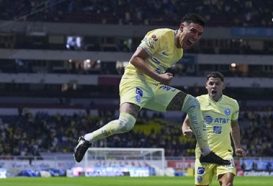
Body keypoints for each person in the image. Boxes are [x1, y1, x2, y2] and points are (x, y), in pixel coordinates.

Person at [74, 13, 230, 166]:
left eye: (199, 34)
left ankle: (206, 153)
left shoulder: (179, 52)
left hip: (154, 87)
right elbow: (135, 59)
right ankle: (87, 139)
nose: (195, 37)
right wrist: (160, 77)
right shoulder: (161, 35)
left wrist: (159, 78)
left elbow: (156, 68)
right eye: (193, 31)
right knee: (125, 124)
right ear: (182, 27)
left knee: (193, 103)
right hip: (135, 81)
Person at [182, 72, 246, 186]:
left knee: (228, 184)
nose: (214, 86)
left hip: (225, 153)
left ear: (222, 86)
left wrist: (237, 146)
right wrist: (185, 130)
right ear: (206, 85)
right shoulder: (197, 102)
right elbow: (186, 122)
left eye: (217, 83)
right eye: (211, 83)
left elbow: (234, 125)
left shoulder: (232, 104)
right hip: (204, 154)